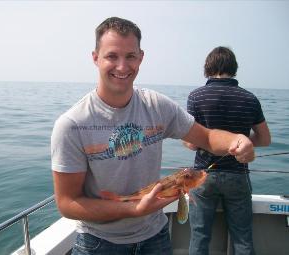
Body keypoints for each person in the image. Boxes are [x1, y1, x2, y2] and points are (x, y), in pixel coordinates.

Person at [51, 18, 255, 255]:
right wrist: (133, 209)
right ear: (95, 57)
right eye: (111, 56)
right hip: (99, 244)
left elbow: (207, 138)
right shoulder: (72, 125)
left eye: (130, 56)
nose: (122, 66)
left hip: (155, 238)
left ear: (141, 58)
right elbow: (67, 203)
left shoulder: (156, 106)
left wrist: (236, 140)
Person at [184, 46, 271, 255]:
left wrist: (209, 141)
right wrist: (237, 142)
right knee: (242, 237)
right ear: (234, 68)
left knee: (199, 235)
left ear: (208, 67)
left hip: (202, 177)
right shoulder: (249, 99)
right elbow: (264, 139)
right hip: (238, 175)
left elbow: (191, 143)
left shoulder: (196, 97)